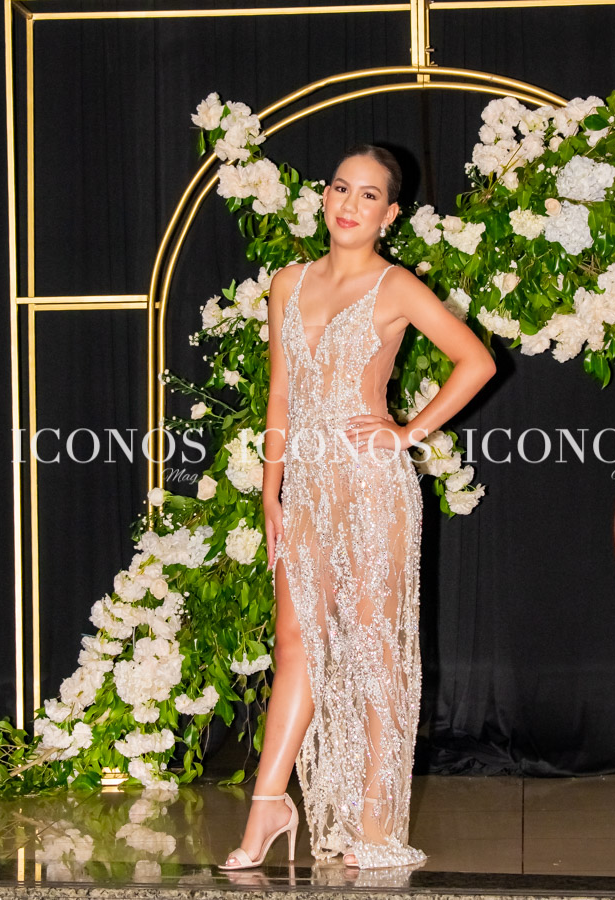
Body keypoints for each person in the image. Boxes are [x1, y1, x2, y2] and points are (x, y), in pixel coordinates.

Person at [219, 144, 497, 871]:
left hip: (372, 487)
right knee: (295, 643)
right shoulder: (287, 282)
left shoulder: (395, 285)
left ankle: (374, 823)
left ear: (389, 214)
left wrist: (407, 432)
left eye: (368, 195)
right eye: (341, 188)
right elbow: (281, 393)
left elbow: (477, 362)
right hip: (306, 486)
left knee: (375, 650)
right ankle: (269, 806)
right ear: (325, 197)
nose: (350, 203)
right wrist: (271, 491)